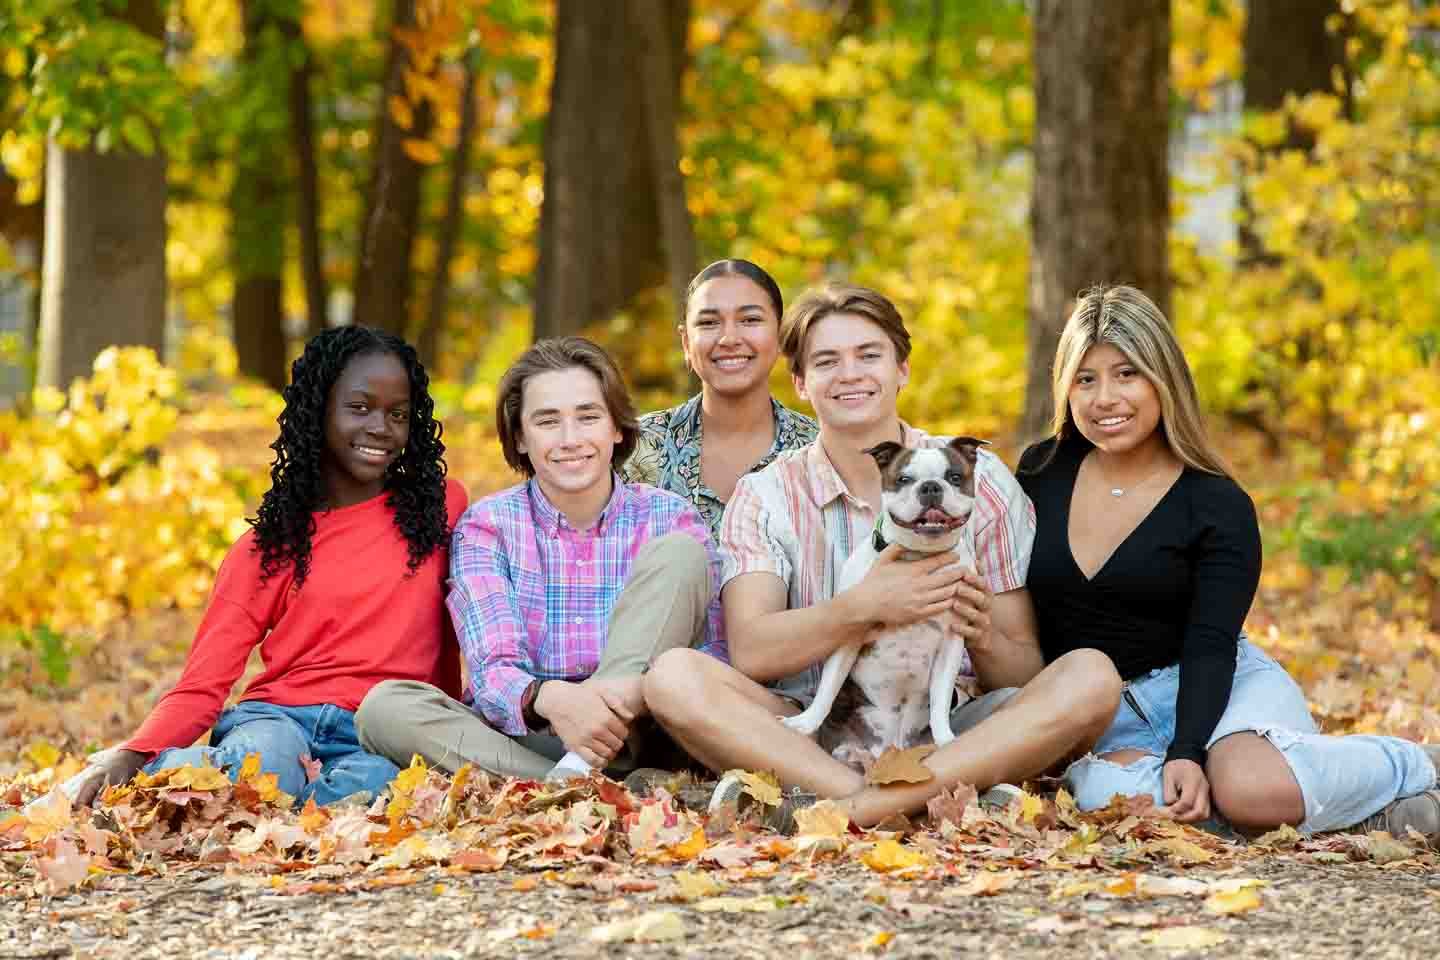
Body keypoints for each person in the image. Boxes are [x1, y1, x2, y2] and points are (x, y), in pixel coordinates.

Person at [642, 284, 1122, 829]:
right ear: (800, 382)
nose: (850, 374)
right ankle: (911, 800)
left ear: (902, 369)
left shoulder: (977, 481)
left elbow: (1022, 670)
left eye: (869, 355)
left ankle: (856, 810)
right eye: (827, 361)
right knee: (672, 677)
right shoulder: (766, 494)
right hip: (814, 726)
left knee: (1092, 676)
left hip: (952, 725)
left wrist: (980, 631)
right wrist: (863, 606)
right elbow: (751, 651)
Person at [1019, 283, 1439, 837]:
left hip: (1222, 689)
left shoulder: (1217, 503)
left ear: (1163, 379)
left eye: (1127, 374)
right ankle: (1365, 813)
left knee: (1242, 784)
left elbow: (1211, 643)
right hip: (1107, 714)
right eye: (1085, 379)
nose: (1105, 399)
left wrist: (1188, 748)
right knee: (1102, 796)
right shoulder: (1040, 474)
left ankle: (1422, 763)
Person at [61, 326, 467, 808]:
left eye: (397, 414)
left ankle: (288, 819)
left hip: (378, 730)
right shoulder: (268, 545)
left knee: (372, 786)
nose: (380, 427)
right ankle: (171, 781)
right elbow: (202, 684)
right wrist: (128, 756)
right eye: (359, 408)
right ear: (317, 411)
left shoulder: (440, 509)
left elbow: (466, 627)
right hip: (278, 720)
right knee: (267, 768)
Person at [356, 336, 726, 782]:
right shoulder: (488, 527)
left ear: (617, 428)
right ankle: (587, 787)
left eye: (588, 417)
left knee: (679, 555)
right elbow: (494, 670)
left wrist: (612, 702)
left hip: (646, 736)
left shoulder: (672, 520)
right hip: (530, 735)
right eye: (548, 421)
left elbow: (712, 657)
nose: (571, 440)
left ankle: (556, 785)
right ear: (521, 437)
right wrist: (553, 700)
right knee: (384, 709)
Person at [622, 258, 817, 537]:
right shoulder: (635, 449)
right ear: (686, 343)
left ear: (781, 336)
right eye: (709, 322)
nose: (729, 338)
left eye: (750, 320)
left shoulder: (818, 453)